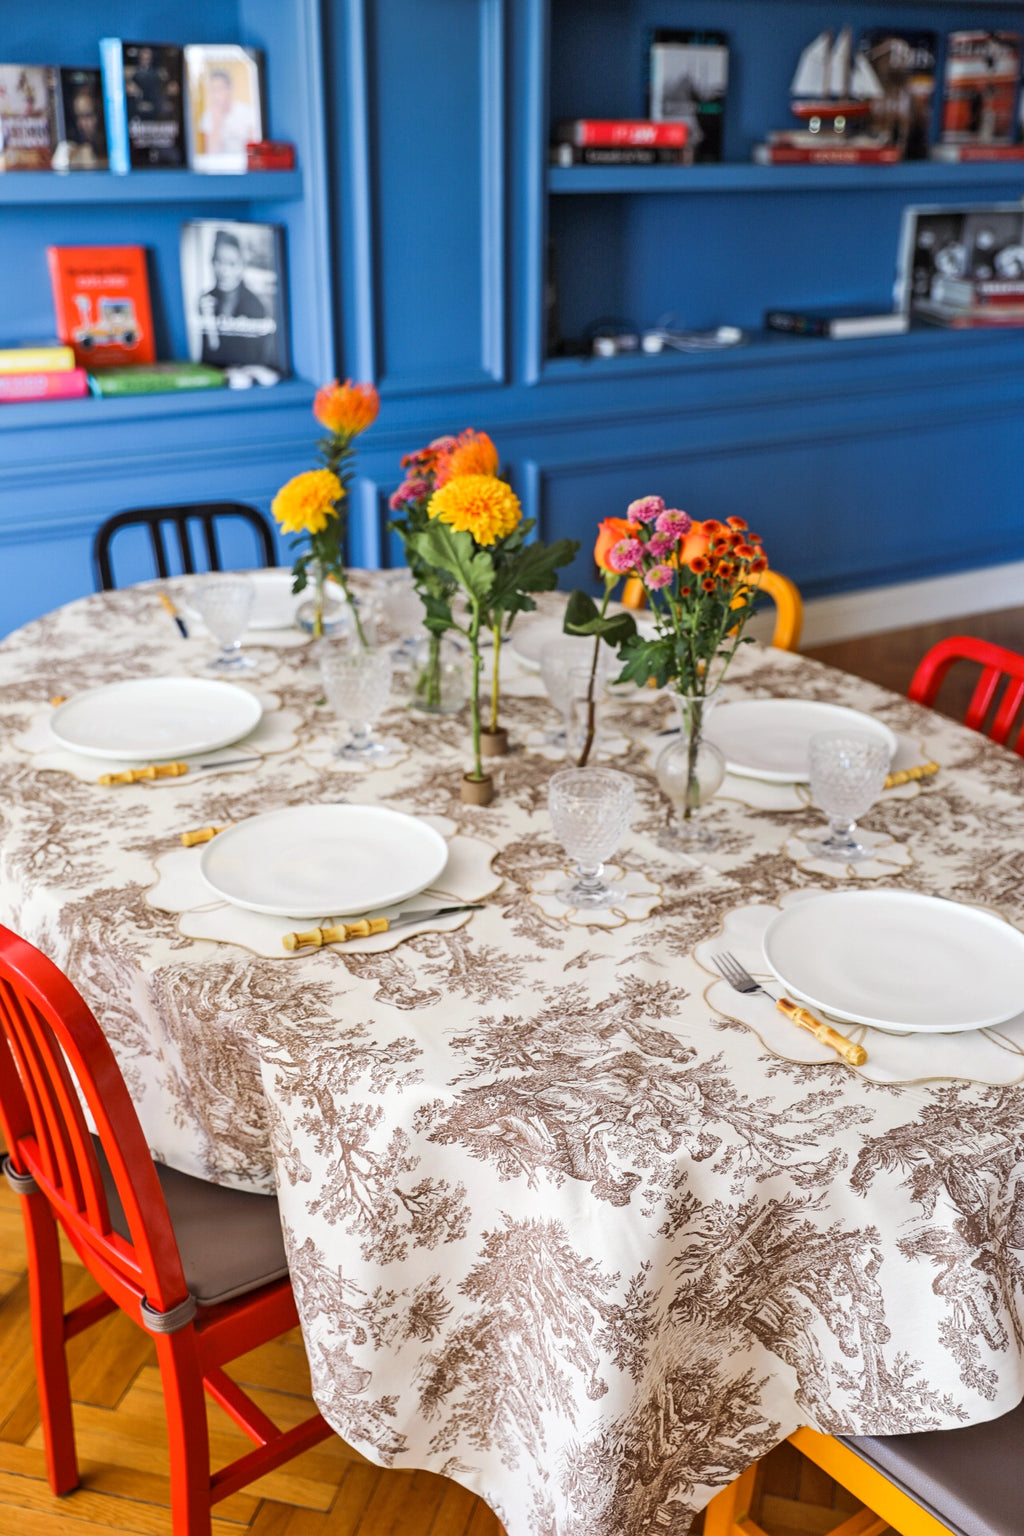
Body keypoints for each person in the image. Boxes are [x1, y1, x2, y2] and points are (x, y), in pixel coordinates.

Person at [197, 230, 276, 367]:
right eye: (218, 261)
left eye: (232, 263)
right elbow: (208, 354)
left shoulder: (256, 305)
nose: (224, 270)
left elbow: (257, 359)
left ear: (242, 266)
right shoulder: (206, 300)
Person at [197, 68, 258, 158]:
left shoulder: (247, 112)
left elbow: (255, 150)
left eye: (219, 89)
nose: (215, 95)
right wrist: (216, 122)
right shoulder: (207, 117)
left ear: (229, 89)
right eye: (212, 90)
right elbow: (211, 155)